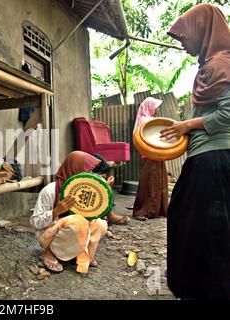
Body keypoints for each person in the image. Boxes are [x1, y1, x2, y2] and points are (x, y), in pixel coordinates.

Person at [161, 3, 230, 299]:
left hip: (215, 158)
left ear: (202, 30)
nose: (183, 44)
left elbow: (228, 114)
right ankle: (199, 282)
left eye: (184, 37)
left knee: (206, 223)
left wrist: (185, 125)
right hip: (206, 155)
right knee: (196, 218)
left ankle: (207, 288)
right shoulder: (211, 65)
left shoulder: (221, 64)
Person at [30, 151, 127, 274]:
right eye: (85, 171)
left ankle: (77, 254)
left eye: (90, 172)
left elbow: (94, 215)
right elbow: (35, 222)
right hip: (48, 237)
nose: (89, 175)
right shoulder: (50, 191)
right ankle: (49, 254)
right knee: (78, 221)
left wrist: (103, 190)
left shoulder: (83, 189)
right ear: (73, 169)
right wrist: (56, 211)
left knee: (100, 224)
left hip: (71, 233)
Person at [132, 97, 169, 221]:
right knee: (149, 181)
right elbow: (150, 138)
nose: (157, 110)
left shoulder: (150, 120)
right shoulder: (144, 120)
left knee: (158, 180)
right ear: (150, 107)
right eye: (156, 107)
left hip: (156, 153)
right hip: (149, 153)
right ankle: (144, 210)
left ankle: (157, 209)